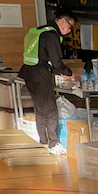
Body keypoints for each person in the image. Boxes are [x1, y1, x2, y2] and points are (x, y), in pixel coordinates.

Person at [19, 8, 75, 154]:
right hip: (40, 74)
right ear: (63, 20)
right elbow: (56, 61)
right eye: (70, 26)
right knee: (50, 110)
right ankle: (53, 144)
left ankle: (43, 141)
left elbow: (43, 56)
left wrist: (58, 71)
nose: (69, 30)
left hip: (29, 72)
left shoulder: (39, 30)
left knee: (40, 109)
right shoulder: (51, 35)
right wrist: (68, 73)